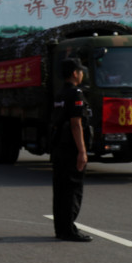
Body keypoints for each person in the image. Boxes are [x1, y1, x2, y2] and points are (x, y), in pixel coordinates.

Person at [51, 58, 92, 242]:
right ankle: (69, 230)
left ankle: (61, 229)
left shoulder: (60, 94)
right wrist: (82, 151)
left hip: (59, 146)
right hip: (70, 149)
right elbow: (76, 124)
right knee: (72, 190)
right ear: (75, 73)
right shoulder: (75, 94)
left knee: (60, 190)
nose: (82, 74)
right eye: (80, 71)